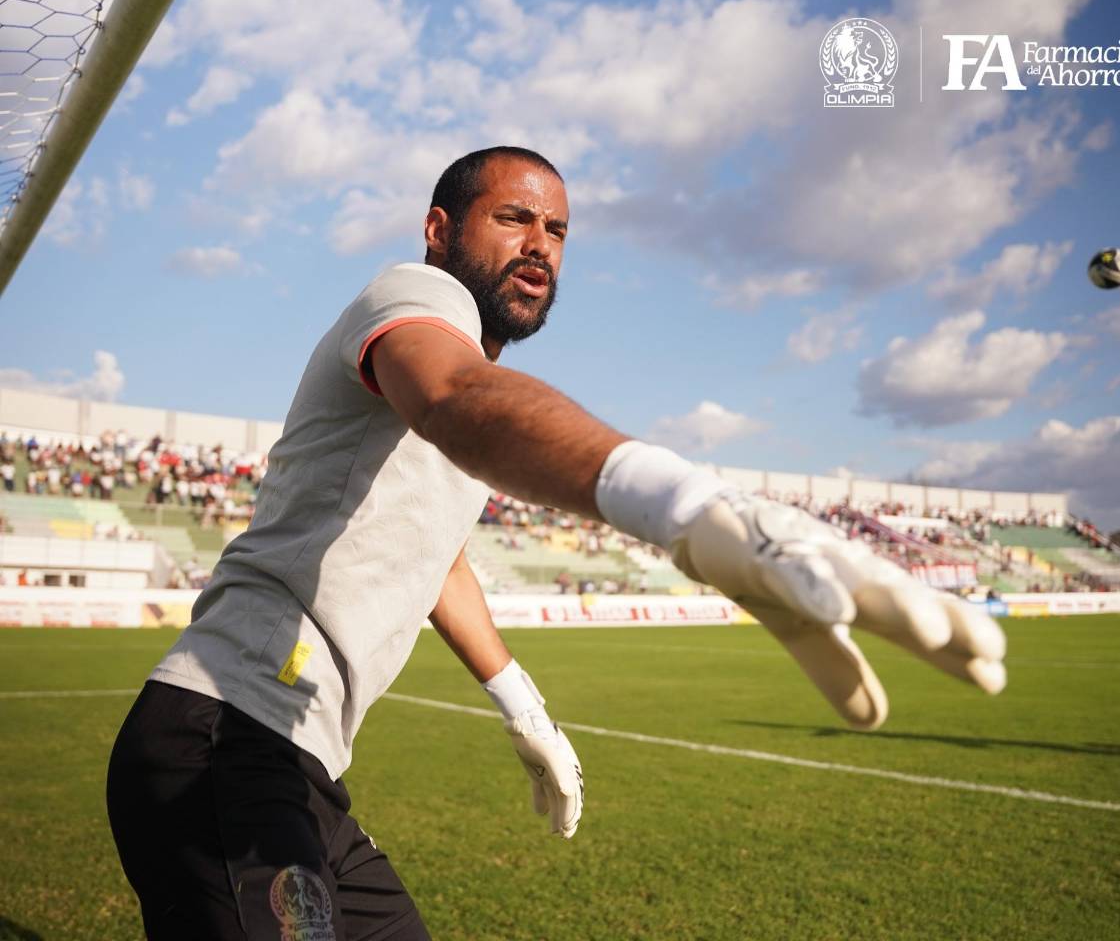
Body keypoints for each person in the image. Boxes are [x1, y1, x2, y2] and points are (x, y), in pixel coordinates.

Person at [106, 146, 1006, 940]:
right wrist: (687, 504)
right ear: (438, 228)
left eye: (559, 230)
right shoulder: (414, 299)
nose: (540, 243)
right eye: (513, 218)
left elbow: (433, 555)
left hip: (302, 769)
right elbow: (457, 399)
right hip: (222, 741)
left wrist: (522, 705)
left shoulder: (464, 384)